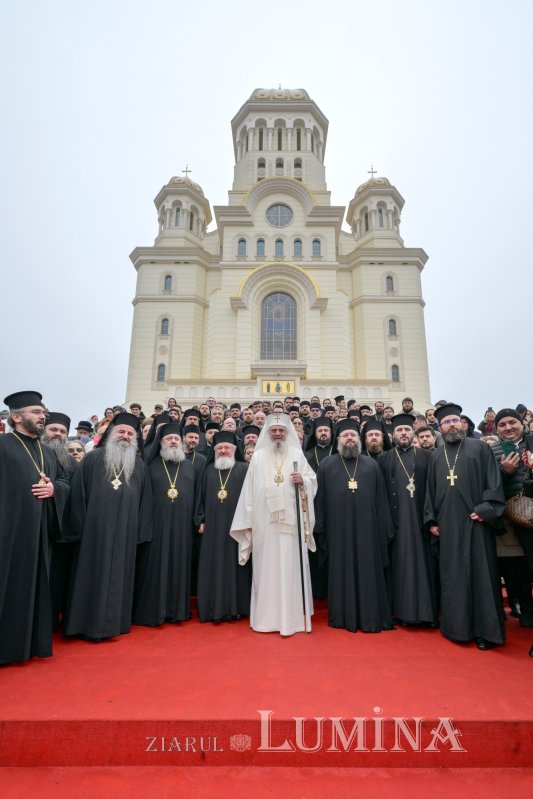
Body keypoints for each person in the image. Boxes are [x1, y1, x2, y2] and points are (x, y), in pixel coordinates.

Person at [64, 413, 152, 641]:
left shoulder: (139, 466)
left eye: (130, 433)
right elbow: (77, 495)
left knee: (119, 578)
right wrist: (80, 528)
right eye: (121, 431)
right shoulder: (92, 459)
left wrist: (139, 533)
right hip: (93, 534)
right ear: (112, 433)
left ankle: (114, 625)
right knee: (89, 575)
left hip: (125, 533)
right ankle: (83, 625)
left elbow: (144, 502)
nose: (125, 436)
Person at [424, 403, 506, 650]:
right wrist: (432, 520)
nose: (451, 425)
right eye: (446, 422)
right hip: (448, 526)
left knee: (482, 576)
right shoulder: (436, 455)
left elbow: (494, 481)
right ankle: (456, 629)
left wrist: (486, 509)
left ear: (462, 423)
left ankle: (485, 632)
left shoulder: (480, 448)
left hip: (475, 522)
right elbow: (430, 491)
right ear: (440, 427)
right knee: (453, 577)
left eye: (454, 421)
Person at [230, 413, 317, 636]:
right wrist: (248, 521)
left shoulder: (297, 454)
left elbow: (312, 480)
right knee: (266, 570)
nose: (278, 434)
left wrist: (303, 481)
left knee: (290, 567)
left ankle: (292, 620)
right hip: (264, 524)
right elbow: (249, 492)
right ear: (267, 433)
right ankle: (265, 620)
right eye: (274, 431)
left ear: (287, 433)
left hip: (291, 525)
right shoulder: (258, 457)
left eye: (281, 431)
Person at [0, 391, 69, 665]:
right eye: (36, 412)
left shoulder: (47, 451)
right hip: (8, 533)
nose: (43, 416)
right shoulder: (3, 445)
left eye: (43, 412)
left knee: (34, 588)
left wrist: (54, 490)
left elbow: (64, 482)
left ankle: (27, 645)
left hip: (39, 535)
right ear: (16, 417)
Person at [314, 419, 394, 633]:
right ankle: (342, 616)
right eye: (345, 436)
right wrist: (320, 528)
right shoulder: (326, 465)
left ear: (359, 439)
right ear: (338, 440)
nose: (349, 438)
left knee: (368, 570)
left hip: (368, 532)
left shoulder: (371, 465)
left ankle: (370, 615)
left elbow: (381, 500)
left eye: (353, 435)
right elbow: (319, 501)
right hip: (337, 532)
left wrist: (383, 528)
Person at [133, 423, 198, 626]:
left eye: (176, 439)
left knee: (179, 566)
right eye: (169, 439)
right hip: (155, 526)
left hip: (182, 528)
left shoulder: (189, 467)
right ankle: (152, 611)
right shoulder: (149, 464)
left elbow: (197, 498)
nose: (173, 441)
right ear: (161, 442)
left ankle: (177, 610)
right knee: (154, 566)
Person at [378, 414, 437, 626]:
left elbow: (434, 489)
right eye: (399, 430)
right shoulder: (384, 459)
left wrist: (432, 519)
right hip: (396, 524)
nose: (403, 433)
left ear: (413, 433)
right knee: (399, 566)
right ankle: (401, 612)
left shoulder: (428, 457)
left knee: (425, 566)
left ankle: (427, 614)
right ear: (392, 435)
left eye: (406, 430)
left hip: (421, 522)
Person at [196, 432, 251, 622]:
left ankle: (237, 607)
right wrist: (200, 519)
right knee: (213, 565)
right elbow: (199, 497)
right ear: (215, 450)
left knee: (237, 566)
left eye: (227, 447)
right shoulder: (208, 470)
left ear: (234, 450)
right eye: (219, 448)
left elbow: (251, 499)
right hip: (212, 527)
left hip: (238, 527)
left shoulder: (244, 469)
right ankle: (213, 608)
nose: (223, 451)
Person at [490, 408, 533, 628]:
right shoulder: (491, 451)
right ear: (496, 429)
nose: (508, 427)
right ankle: (526, 611)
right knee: (516, 568)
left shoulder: (531, 443)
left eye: (512, 422)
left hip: (530, 512)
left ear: (521, 424)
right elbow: (488, 483)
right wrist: (504, 471)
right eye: (502, 424)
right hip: (509, 517)